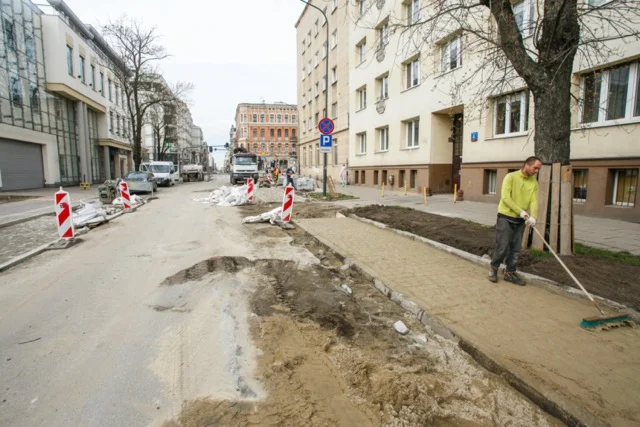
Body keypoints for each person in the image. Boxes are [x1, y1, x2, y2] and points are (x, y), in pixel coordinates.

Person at [488, 156, 542, 286]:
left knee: (516, 249)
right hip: (505, 216)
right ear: (527, 165)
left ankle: (509, 273)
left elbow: (534, 200)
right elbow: (505, 198)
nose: (536, 171)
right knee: (503, 246)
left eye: (538, 169)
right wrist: (521, 211)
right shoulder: (511, 177)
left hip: (520, 220)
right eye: (535, 168)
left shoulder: (534, 183)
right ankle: (493, 268)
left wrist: (534, 216)